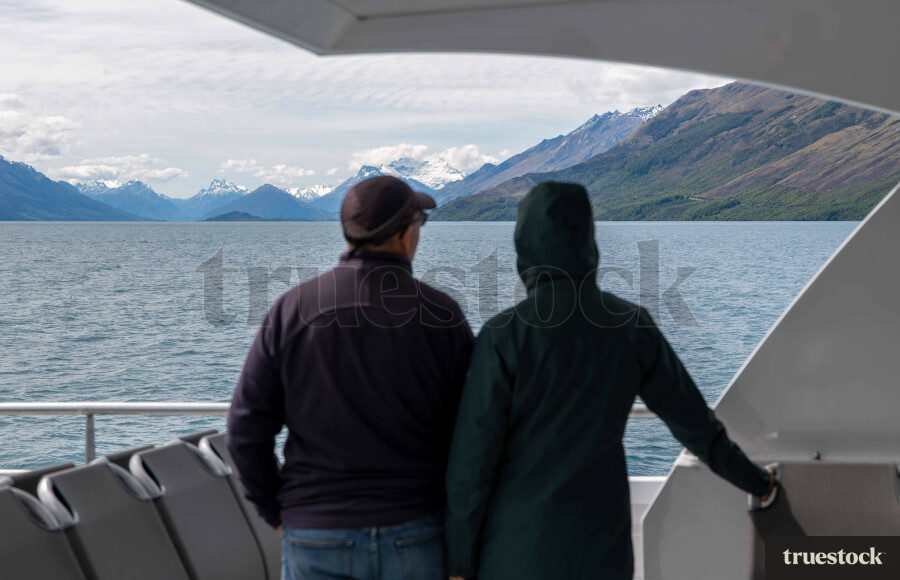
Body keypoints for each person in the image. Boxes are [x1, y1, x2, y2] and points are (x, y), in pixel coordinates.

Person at [445, 182, 776, 580]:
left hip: (515, 550)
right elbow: (696, 427)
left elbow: (472, 461)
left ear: (524, 244)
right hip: (601, 546)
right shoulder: (630, 325)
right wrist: (759, 483)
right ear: (588, 240)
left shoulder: (502, 335)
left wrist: (458, 562)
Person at [227, 175, 474, 580]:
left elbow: (244, 430)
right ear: (401, 233)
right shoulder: (442, 314)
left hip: (315, 530)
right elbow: (472, 435)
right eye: (419, 224)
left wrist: (277, 513)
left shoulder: (292, 309)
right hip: (415, 529)